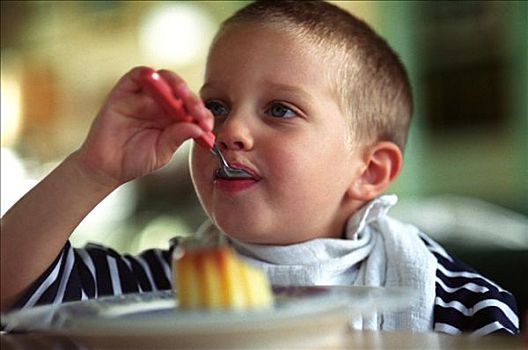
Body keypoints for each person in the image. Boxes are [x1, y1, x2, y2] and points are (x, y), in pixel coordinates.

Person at [0, 0, 519, 335]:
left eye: (279, 110)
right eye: (217, 106)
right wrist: (94, 170)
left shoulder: (452, 305)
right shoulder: (161, 288)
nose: (229, 132)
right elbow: (12, 286)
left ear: (370, 172)